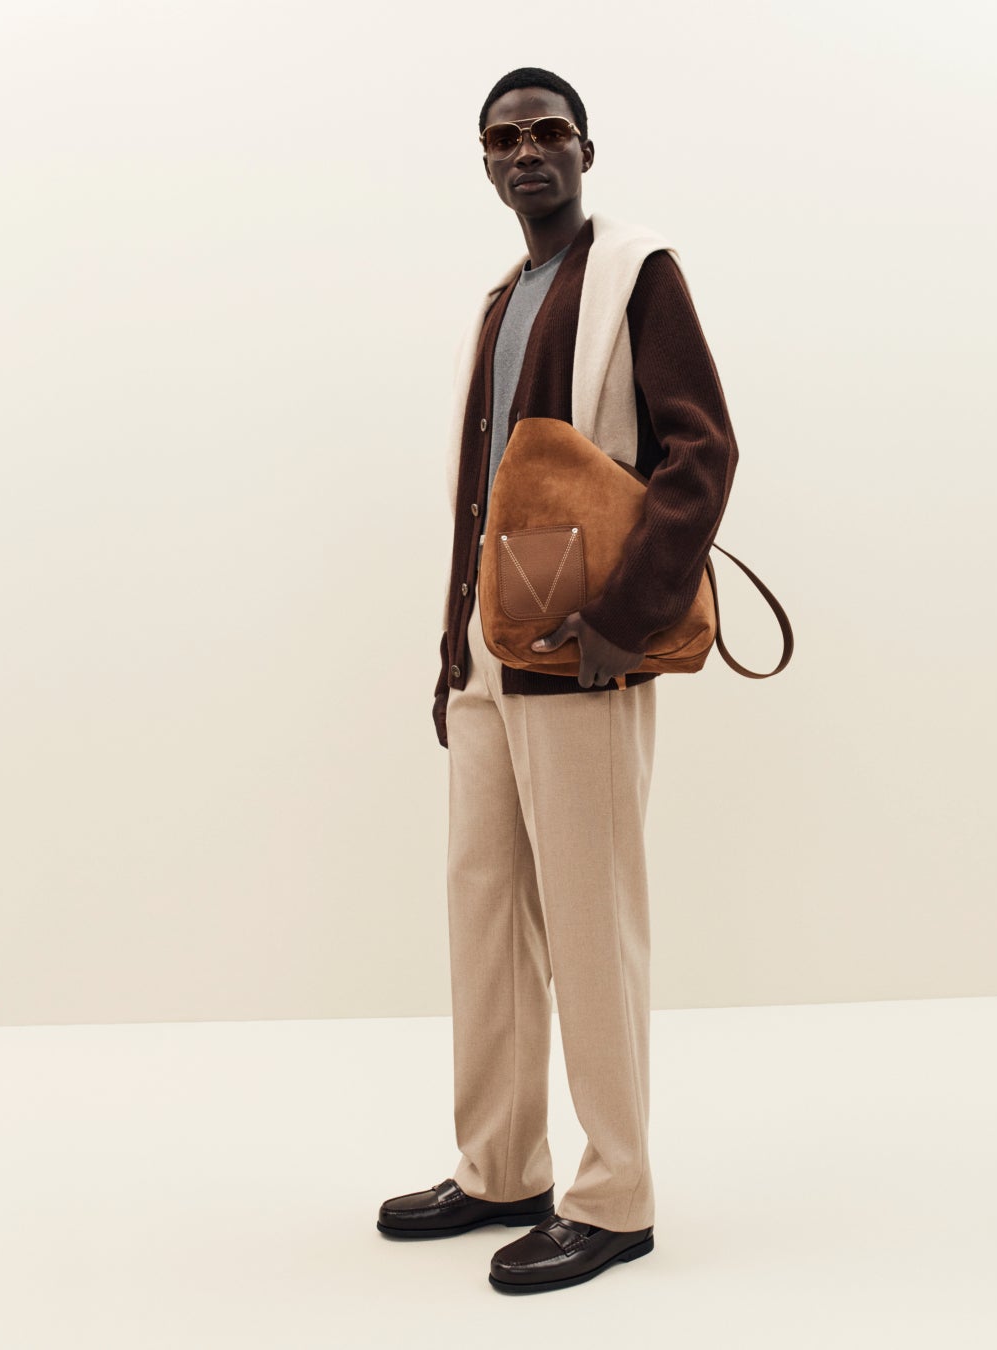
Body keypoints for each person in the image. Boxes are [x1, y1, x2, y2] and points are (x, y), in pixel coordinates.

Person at [377, 66, 740, 1294]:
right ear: (485, 164)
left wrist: (627, 622)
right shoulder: (502, 300)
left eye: (549, 132)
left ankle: (615, 1197)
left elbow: (703, 453)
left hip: (586, 654)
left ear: (586, 150)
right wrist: (452, 656)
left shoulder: (636, 275)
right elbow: (483, 494)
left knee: (591, 921)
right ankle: (501, 1167)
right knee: (483, 912)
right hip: (492, 654)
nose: (526, 151)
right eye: (504, 138)